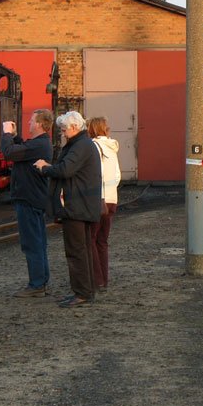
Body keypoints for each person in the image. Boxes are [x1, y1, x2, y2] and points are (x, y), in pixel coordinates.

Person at [34, 111, 101, 308]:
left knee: (76, 251)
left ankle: (82, 294)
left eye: (63, 129)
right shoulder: (83, 144)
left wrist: (45, 167)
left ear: (73, 128)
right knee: (84, 250)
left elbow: (65, 169)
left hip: (76, 206)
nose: (62, 133)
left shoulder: (80, 146)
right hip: (81, 205)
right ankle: (86, 291)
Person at [1, 109, 54, 298]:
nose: (29, 123)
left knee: (32, 243)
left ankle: (37, 284)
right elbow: (20, 151)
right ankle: (41, 281)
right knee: (38, 242)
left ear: (39, 124)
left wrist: (6, 134)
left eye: (32, 121)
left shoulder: (39, 144)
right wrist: (15, 137)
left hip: (29, 199)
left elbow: (9, 153)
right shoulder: (39, 144)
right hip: (33, 197)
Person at [87, 116, 122, 292]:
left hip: (97, 200)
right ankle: (104, 280)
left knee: (91, 239)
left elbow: (96, 174)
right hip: (111, 199)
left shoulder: (92, 147)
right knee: (102, 241)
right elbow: (117, 175)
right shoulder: (112, 147)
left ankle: (96, 280)